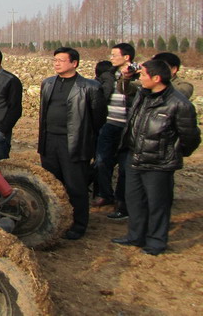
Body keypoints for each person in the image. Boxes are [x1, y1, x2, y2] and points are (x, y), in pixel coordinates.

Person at [112, 59, 200, 255]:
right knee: (134, 200)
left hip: (159, 163)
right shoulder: (143, 95)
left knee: (157, 204)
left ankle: (156, 242)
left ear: (157, 78)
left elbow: (191, 137)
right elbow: (126, 92)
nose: (140, 78)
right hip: (135, 157)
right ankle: (135, 236)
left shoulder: (179, 104)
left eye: (143, 75)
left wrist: (171, 152)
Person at [37, 47, 107, 240]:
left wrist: (85, 137)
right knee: (52, 184)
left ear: (74, 63)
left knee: (76, 185)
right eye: (55, 60)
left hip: (74, 142)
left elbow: (98, 118)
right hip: (49, 141)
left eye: (61, 60)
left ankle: (78, 224)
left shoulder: (90, 87)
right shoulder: (48, 83)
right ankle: (55, 220)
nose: (57, 64)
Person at [94, 43, 140, 218]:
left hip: (129, 128)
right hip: (109, 124)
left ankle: (122, 203)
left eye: (114, 55)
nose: (111, 58)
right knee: (101, 161)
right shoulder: (108, 76)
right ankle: (105, 194)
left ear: (126, 57)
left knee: (125, 167)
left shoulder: (139, 76)